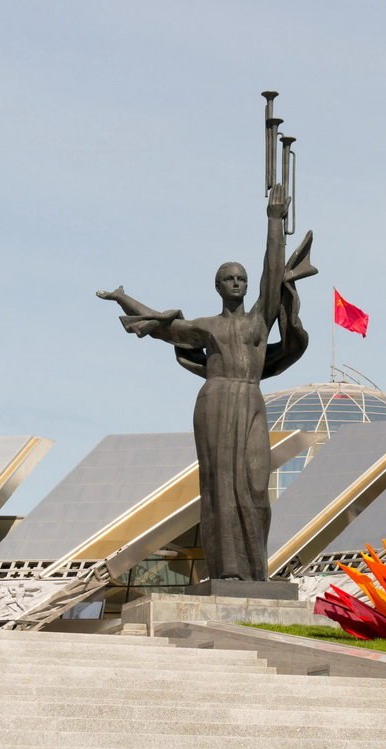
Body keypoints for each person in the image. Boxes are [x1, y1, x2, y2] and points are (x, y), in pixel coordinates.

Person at [97, 184, 315, 581]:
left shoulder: (257, 321)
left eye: (241, 279)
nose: (236, 283)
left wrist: (273, 220)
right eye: (228, 279)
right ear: (218, 287)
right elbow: (164, 328)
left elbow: (273, 276)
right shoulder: (206, 326)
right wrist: (124, 300)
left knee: (253, 485)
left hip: (250, 399)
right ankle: (228, 572)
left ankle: (254, 573)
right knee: (218, 485)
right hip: (215, 401)